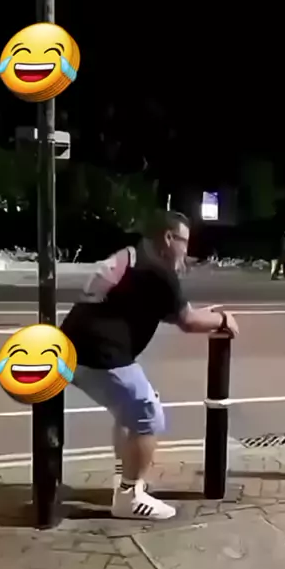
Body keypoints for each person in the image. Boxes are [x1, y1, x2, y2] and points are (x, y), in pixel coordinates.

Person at [61, 211, 239, 521]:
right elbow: (188, 321)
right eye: (184, 242)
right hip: (100, 354)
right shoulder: (158, 271)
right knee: (147, 415)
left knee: (129, 409)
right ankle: (129, 496)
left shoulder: (134, 256)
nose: (187, 250)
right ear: (169, 238)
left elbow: (163, 308)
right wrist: (223, 319)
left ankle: (125, 476)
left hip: (72, 349)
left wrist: (202, 313)